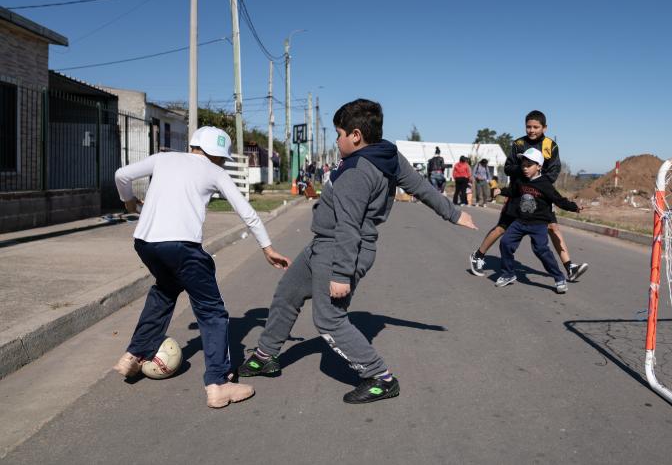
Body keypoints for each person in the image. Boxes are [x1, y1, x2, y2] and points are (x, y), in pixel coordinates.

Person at [238, 99, 477, 404]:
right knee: (288, 292)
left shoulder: (357, 171)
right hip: (322, 246)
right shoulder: (387, 153)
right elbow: (421, 187)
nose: (336, 141)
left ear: (355, 135)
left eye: (338, 134)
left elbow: (349, 226)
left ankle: (380, 377)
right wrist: (453, 213)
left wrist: (340, 274)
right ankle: (265, 355)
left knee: (329, 320)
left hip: (339, 250)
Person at [112, 126, 291, 409]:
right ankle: (219, 384)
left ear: (194, 144)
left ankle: (134, 354)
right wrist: (267, 248)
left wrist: (129, 201)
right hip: (183, 248)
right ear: (220, 156)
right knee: (213, 312)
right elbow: (247, 212)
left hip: (146, 243)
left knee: (165, 291)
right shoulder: (216, 172)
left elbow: (121, 174)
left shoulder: (163, 159)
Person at [469, 110, 588, 281]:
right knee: (502, 227)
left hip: (541, 194)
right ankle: (478, 256)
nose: (532, 130)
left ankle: (570, 267)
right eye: (528, 127)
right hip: (518, 192)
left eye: (536, 127)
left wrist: (539, 183)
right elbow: (508, 167)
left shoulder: (551, 146)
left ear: (544, 128)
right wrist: (524, 172)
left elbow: (554, 170)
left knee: (553, 227)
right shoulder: (518, 144)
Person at [494, 148, 581, 293]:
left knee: (541, 250)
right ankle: (508, 273)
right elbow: (513, 191)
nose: (525, 168)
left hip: (539, 223)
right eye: (523, 165)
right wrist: (501, 191)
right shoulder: (521, 180)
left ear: (539, 166)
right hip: (520, 221)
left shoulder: (545, 184)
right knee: (505, 243)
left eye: (529, 165)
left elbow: (558, 200)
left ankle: (559, 278)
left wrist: (574, 207)